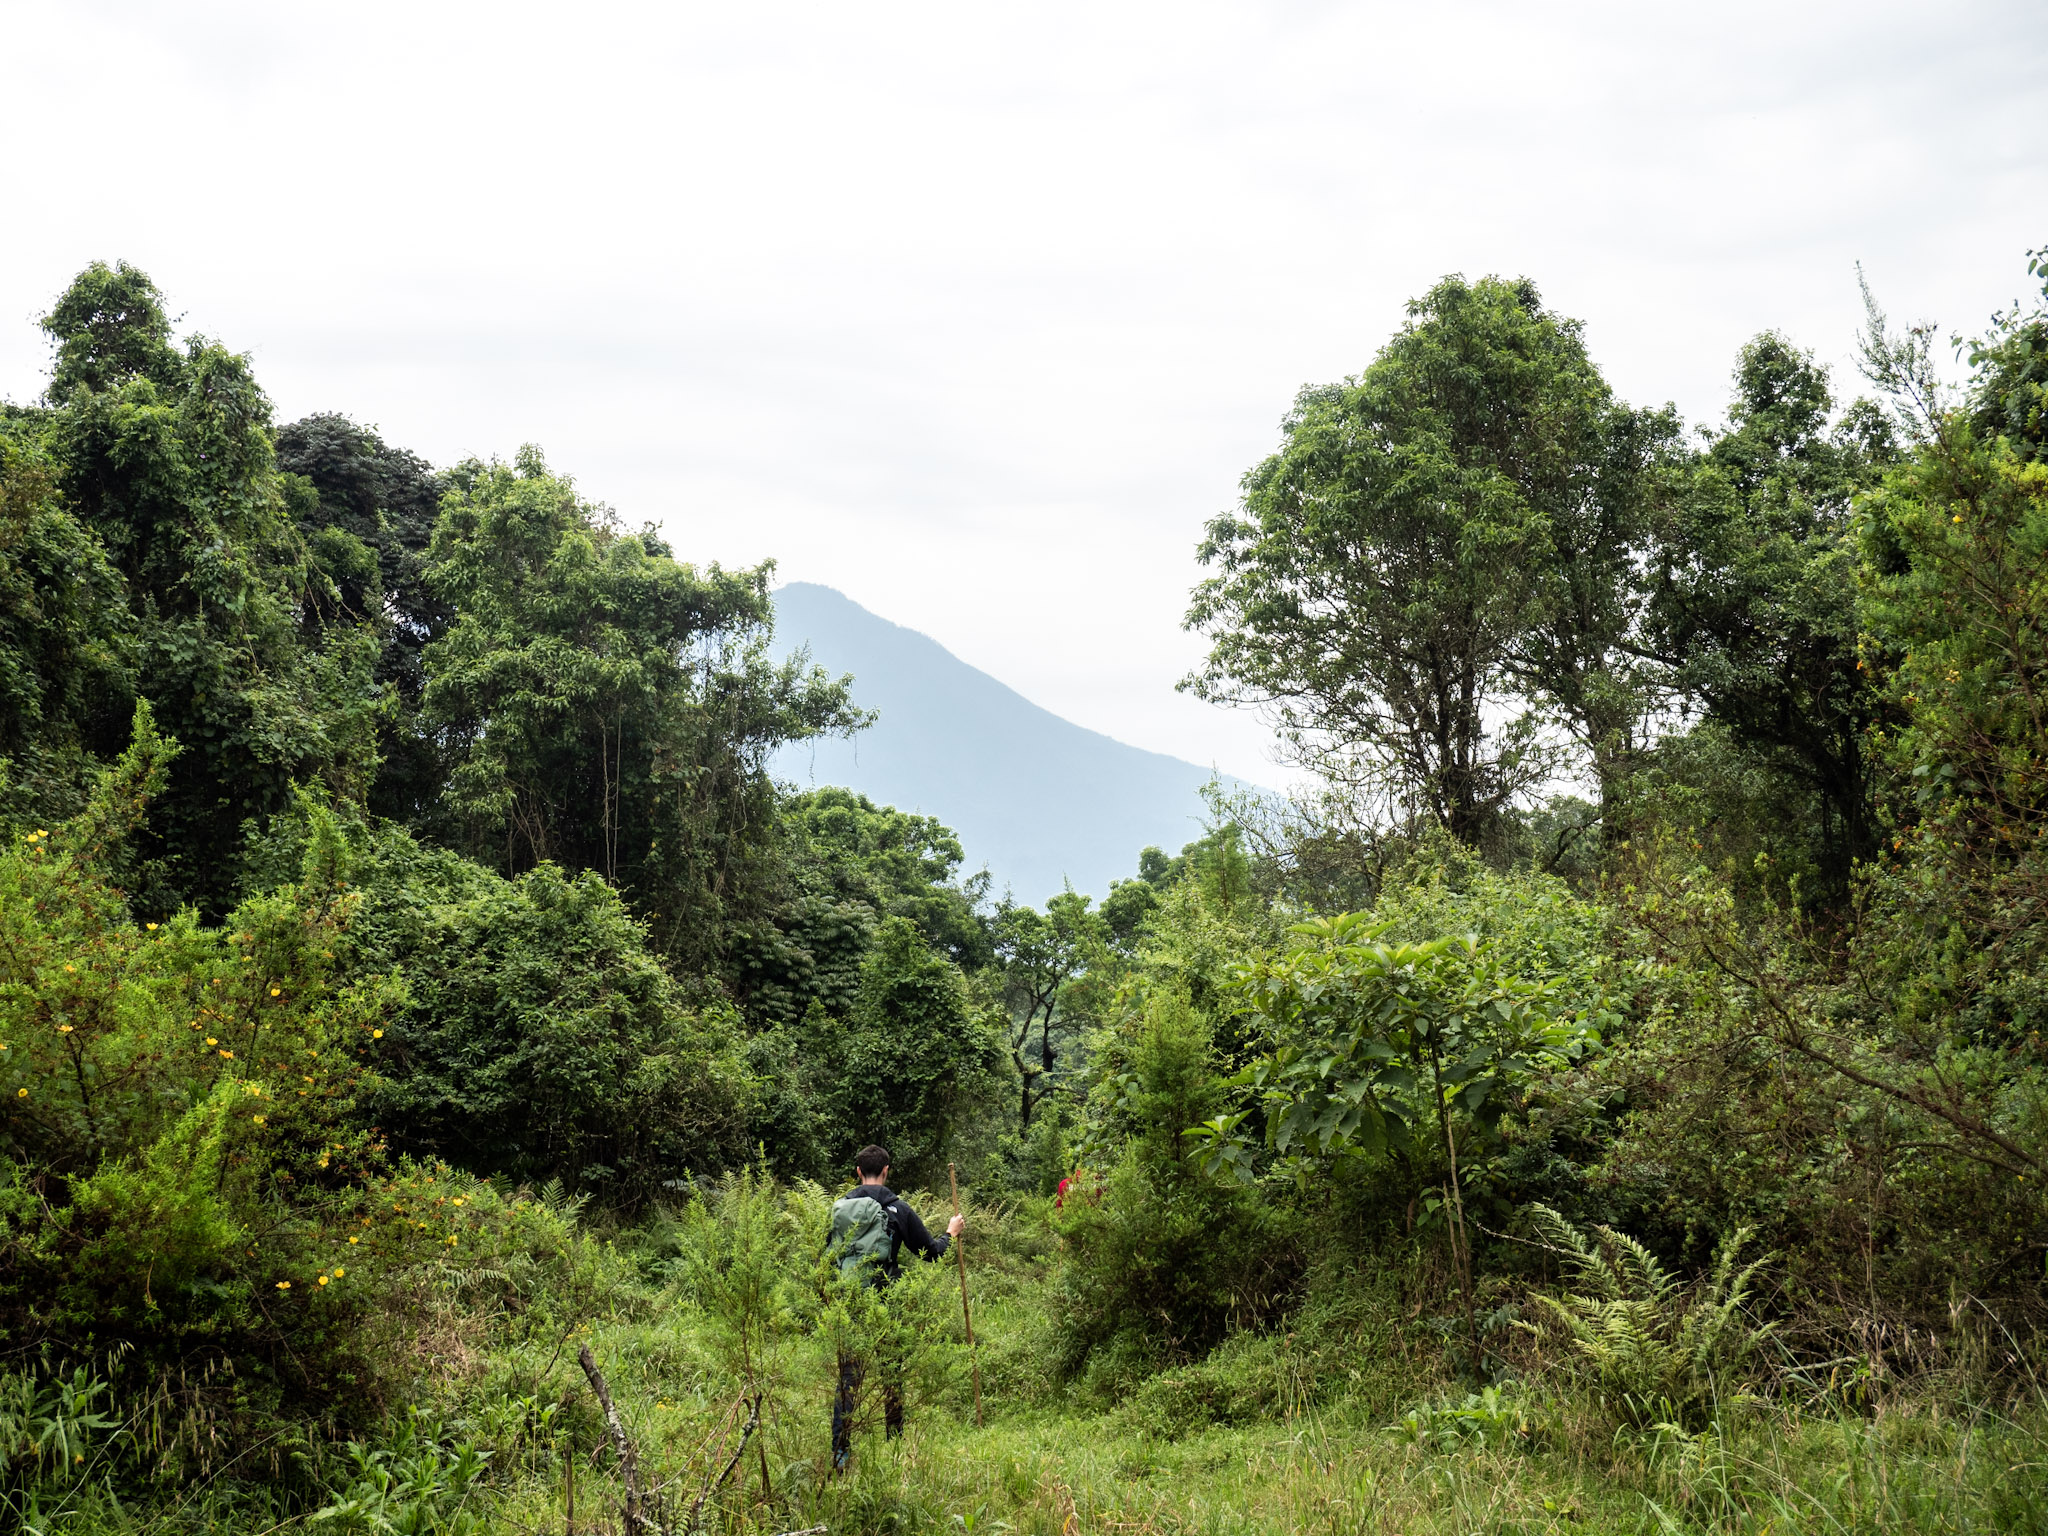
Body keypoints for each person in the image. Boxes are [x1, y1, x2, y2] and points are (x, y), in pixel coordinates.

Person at [827, 1144, 964, 1470]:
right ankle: (895, 1442)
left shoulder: (839, 1208)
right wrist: (950, 1232)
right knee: (891, 1374)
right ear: (886, 1171)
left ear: (858, 1172)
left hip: (849, 1303)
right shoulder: (897, 1208)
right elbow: (930, 1253)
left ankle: (841, 1453)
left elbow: (828, 1258)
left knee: (848, 1380)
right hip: (885, 1302)